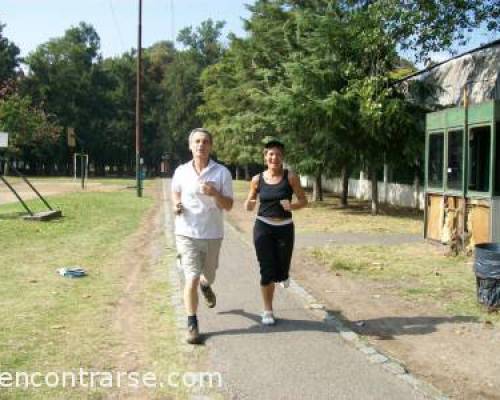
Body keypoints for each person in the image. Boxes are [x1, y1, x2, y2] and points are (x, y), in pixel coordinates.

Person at [171, 128, 233, 344]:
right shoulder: (181, 171)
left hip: (213, 234)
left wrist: (215, 193)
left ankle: (207, 286)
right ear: (190, 146)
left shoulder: (221, 172)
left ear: (211, 146)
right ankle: (192, 324)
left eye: (205, 142)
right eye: (197, 141)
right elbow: (175, 190)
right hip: (186, 232)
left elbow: (229, 206)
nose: (201, 145)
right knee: (191, 277)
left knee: (208, 275)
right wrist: (176, 204)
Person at [244, 139, 308, 325]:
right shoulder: (257, 179)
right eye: (270, 154)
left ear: (282, 157)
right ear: (265, 157)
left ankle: (284, 274)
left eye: (278, 154)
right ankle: (268, 311)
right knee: (266, 270)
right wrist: (249, 204)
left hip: (285, 228)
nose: (274, 157)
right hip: (263, 226)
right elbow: (248, 204)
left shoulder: (290, 177)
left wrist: (292, 205)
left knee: (282, 269)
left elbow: (304, 201)